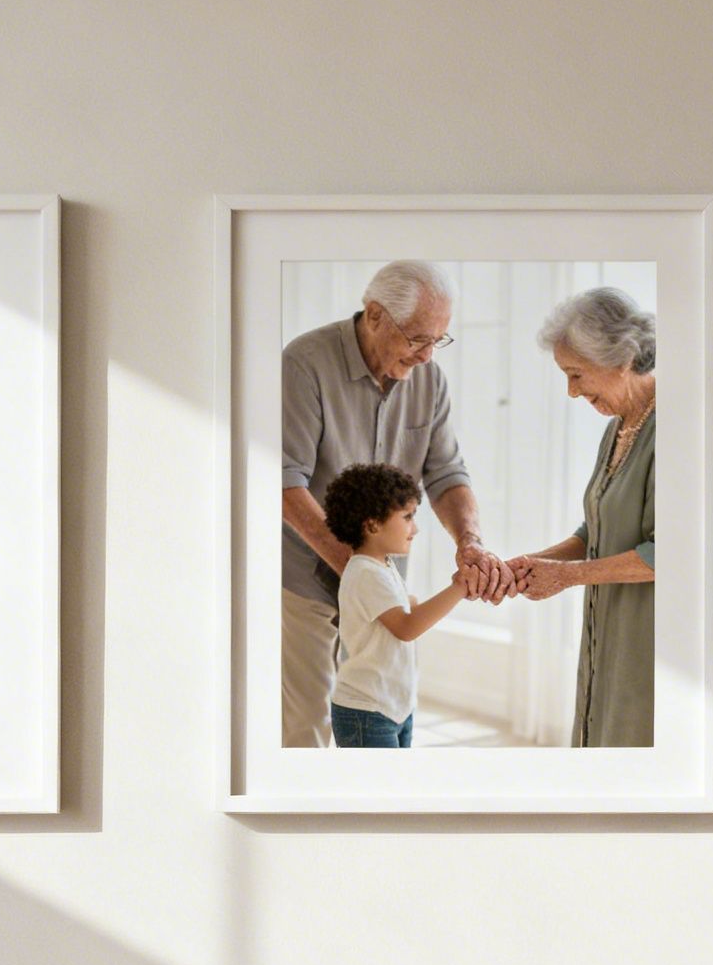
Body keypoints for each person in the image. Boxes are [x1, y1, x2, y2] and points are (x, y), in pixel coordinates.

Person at [281, 260, 514, 748]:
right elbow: (284, 481)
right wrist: (359, 567)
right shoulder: (305, 362)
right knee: (306, 723)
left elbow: (447, 472)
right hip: (305, 572)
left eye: (439, 340)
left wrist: (469, 544)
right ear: (375, 315)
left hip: (379, 578)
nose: (428, 356)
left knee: (381, 704)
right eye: (417, 339)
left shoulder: (429, 383)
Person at [508, 288, 659, 747]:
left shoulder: (674, 429)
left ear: (620, 358)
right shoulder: (618, 427)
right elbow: (595, 529)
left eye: (576, 374)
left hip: (648, 643)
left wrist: (568, 577)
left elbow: (667, 553)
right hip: (603, 638)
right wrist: (532, 562)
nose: (572, 391)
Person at [322, 464, 473, 747]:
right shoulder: (366, 573)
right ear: (372, 525)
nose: (414, 529)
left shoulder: (382, 565)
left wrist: (457, 589)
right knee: (379, 788)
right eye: (407, 517)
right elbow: (406, 627)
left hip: (393, 706)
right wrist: (459, 588)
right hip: (367, 712)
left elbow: (408, 609)